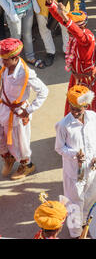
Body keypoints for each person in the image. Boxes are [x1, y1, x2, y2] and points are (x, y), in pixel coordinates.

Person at [45, 0, 96, 143]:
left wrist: (66, 18)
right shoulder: (75, 34)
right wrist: (51, 3)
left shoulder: (86, 38)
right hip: (77, 78)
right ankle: (76, 134)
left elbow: (75, 31)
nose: (69, 31)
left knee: (94, 108)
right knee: (76, 107)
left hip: (88, 81)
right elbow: (64, 22)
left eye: (71, 28)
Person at [55, 85, 96, 239]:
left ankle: (85, 225)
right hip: (74, 172)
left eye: (79, 109)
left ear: (86, 106)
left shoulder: (93, 117)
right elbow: (59, 148)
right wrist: (74, 154)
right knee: (74, 202)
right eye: (72, 108)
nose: (75, 112)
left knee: (90, 197)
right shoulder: (63, 125)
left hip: (91, 169)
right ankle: (76, 234)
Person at [0, 38, 49, 180]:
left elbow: (44, 91)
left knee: (20, 142)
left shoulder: (26, 74)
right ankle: (8, 158)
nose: (3, 63)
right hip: (3, 108)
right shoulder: (4, 63)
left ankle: (27, 166)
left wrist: (28, 110)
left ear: (15, 58)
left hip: (17, 114)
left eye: (6, 60)